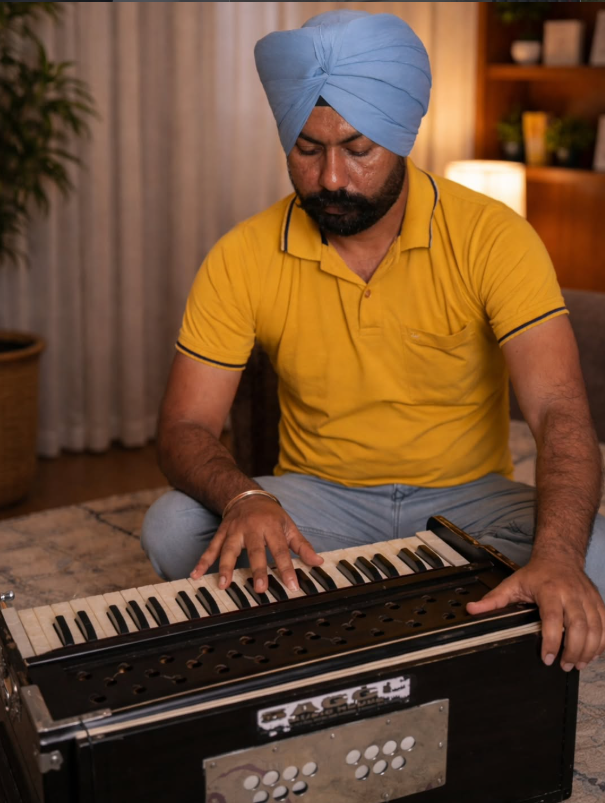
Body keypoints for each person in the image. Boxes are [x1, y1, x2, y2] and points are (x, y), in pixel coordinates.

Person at [142, 9, 605, 674]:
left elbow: (560, 411)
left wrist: (556, 558)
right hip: (318, 503)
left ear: (400, 136)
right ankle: (436, 606)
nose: (331, 177)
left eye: (358, 150)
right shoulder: (240, 255)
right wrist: (248, 500)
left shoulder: (494, 237)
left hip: (469, 502)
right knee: (172, 527)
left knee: (590, 554)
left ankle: (340, 606)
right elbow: (184, 425)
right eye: (307, 150)